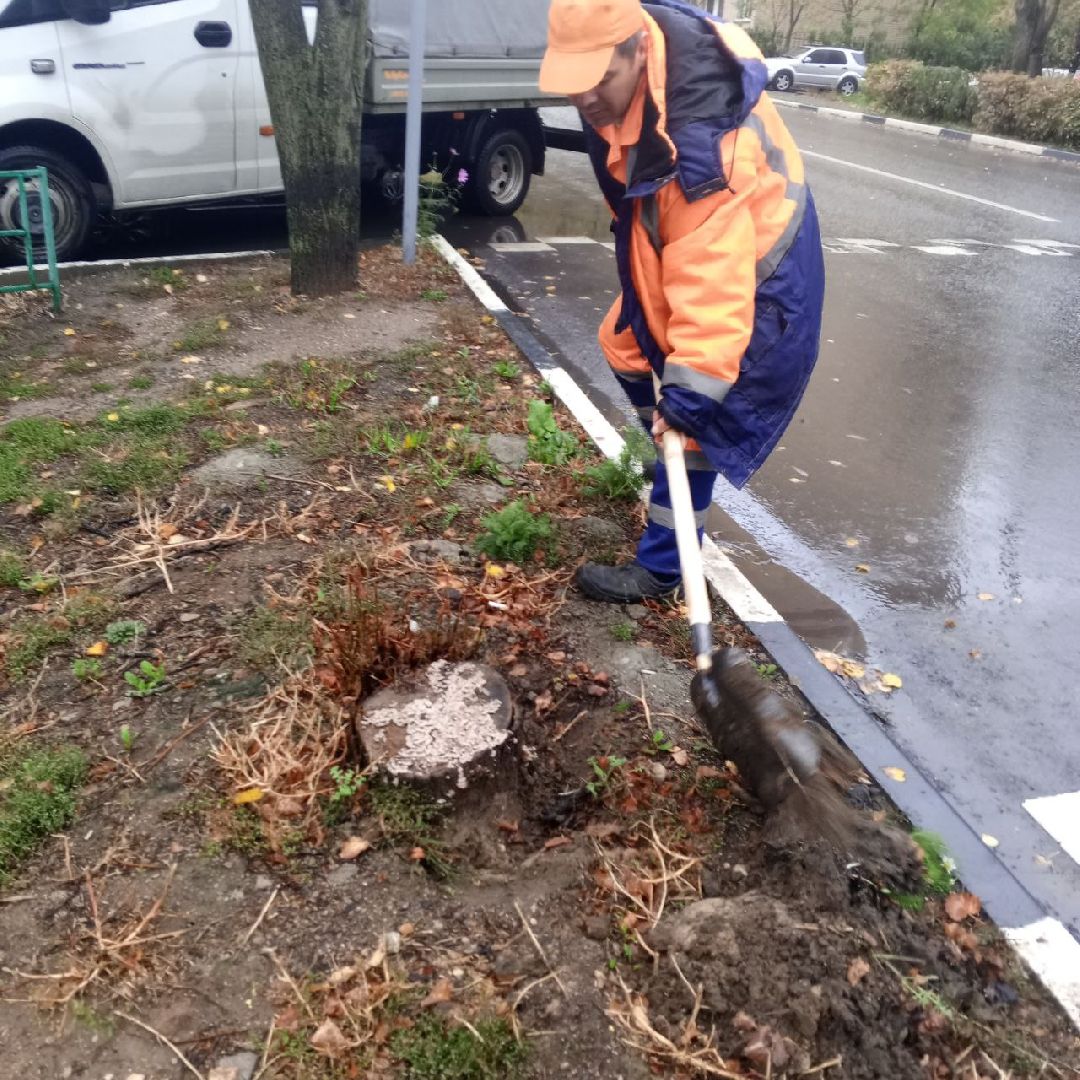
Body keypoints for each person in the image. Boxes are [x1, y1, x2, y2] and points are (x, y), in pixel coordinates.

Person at [539, 0, 826, 603]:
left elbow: (714, 296)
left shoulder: (699, 151)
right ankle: (673, 454)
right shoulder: (641, 74)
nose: (585, 99)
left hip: (759, 272)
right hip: (686, 242)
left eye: (597, 80)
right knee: (623, 342)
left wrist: (688, 400)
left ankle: (666, 566)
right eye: (573, 83)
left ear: (637, 50)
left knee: (694, 397)